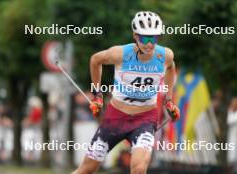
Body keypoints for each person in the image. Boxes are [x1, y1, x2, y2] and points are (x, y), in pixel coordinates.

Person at [72, 11, 180, 174]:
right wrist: (97, 96)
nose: (150, 44)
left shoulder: (165, 55)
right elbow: (95, 60)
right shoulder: (121, 53)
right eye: (145, 38)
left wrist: (169, 100)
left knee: (139, 169)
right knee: (86, 170)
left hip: (145, 120)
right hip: (115, 117)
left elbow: (171, 68)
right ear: (135, 36)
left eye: (154, 38)